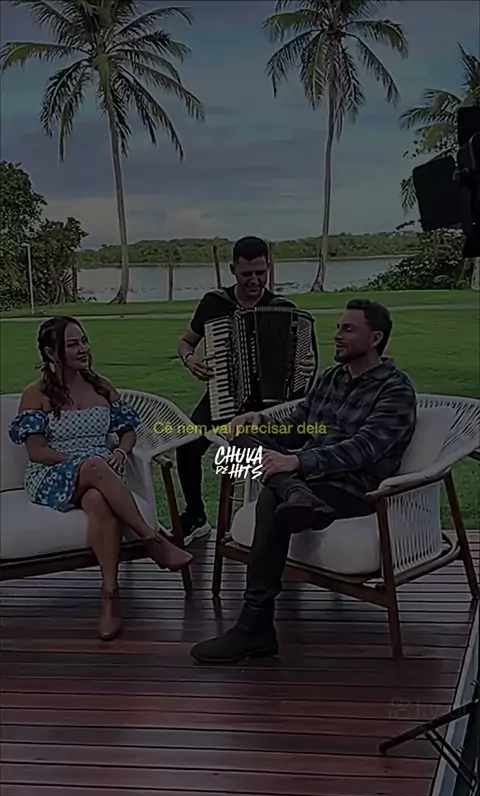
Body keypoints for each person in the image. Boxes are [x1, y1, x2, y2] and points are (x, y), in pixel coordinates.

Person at [190, 298, 417, 665]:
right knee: (242, 441)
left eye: (348, 329)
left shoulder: (395, 390)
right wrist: (260, 421)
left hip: (352, 488)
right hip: (308, 481)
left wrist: (296, 462)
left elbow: (364, 450)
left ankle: (254, 627)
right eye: (338, 327)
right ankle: (296, 493)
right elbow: (298, 426)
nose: (337, 335)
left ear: (375, 338)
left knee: (271, 497)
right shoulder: (331, 378)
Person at [9, 316, 193, 642]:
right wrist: (82, 462)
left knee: (98, 501)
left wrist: (121, 452)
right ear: (51, 353)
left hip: (101, 473)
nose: (83, 349)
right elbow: (37, 452)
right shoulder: (35, 394)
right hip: (52, 474)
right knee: (94, 465)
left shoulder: (101, 386)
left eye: (83, 341)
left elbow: (127, 431)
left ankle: (110, 597)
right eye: (72, 344)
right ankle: (153, 540)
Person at [176, 235, 317, 544]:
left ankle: (269, 517)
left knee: (269, 450)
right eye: (246, 274)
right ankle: (196, 516)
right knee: (187, 446)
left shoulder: (283, 309)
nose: (254, 280)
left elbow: (305, 369)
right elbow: (186, 341)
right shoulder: (214, 303)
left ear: (269, 267)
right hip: (223, 396)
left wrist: (305, 368)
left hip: (270, 407)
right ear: (233, 270)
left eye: (261, 273)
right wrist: (190, 359)